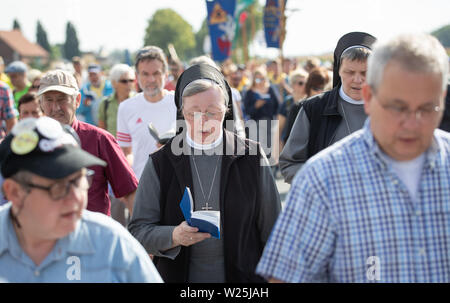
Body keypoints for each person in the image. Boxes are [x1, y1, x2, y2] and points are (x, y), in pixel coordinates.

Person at [256, 33, 450, 282]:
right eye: (398, 107)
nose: (412, 123)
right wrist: (334, 183)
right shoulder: (321, 176)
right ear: (371, 97)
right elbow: (285, 275)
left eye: (427, 108)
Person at [128, 64, 281, 283]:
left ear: (226, 110)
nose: (203, 121)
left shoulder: (252, 156)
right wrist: (173, 235)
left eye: (212, 112)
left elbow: (274, 229)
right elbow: (138, 231)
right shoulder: (162, 163)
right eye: (193, 113)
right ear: (182, 112)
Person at [0, 117, 163, 282]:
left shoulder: (112, 243)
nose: (76, 197)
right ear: (15, 192)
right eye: (59, 188)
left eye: (79, 180)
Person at [279, 32, 376, 183]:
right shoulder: (314, 108)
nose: (357, 79)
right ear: (338, 71)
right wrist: (323, 182)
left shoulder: (390, 110)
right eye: (350, 72)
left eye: (365, 73)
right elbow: (289, 164)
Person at [38, 70, 138, 216]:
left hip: (93, 236)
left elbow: (129, 192)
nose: (56, 108)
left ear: (77, 100)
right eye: (49, 100)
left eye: (62, 99)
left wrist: (142, 232)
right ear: (40, 103)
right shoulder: (31, 142)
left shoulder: (99, 139)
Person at [117, 46, 177, 179]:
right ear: (137, 77)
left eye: (156, 73)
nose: (151, 79)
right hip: (141, 184)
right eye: (145, 74)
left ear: (166, 75)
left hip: (176, 183)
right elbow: (126, 151)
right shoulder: (125, 108)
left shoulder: (180, 103)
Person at [281, 67, 331, 144]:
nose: (320, 92)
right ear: (309, 88)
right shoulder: (298, 107)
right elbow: (288, 139)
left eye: (323, 88)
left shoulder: (330, 109)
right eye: (316, 89)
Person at [243, 66, 280, 167]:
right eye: (258, 78)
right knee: (260, 148)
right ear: (254, 79)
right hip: (256, 124)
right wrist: (256, 106)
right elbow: (247, 110)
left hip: (270, 123)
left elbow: (277, 105)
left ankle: (270, 169)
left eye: (262, 78)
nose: (260, 81)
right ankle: (260, 168)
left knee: (270, 146)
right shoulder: (250, 92)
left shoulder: (270, 89)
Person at [277, 68, 308, 148]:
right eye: (301, 83)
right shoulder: (287, 102)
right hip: (288, 145)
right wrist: (279, 150)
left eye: (306, 83)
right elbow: (279, 128)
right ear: (293, 85)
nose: (304, 86)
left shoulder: (310, 102)